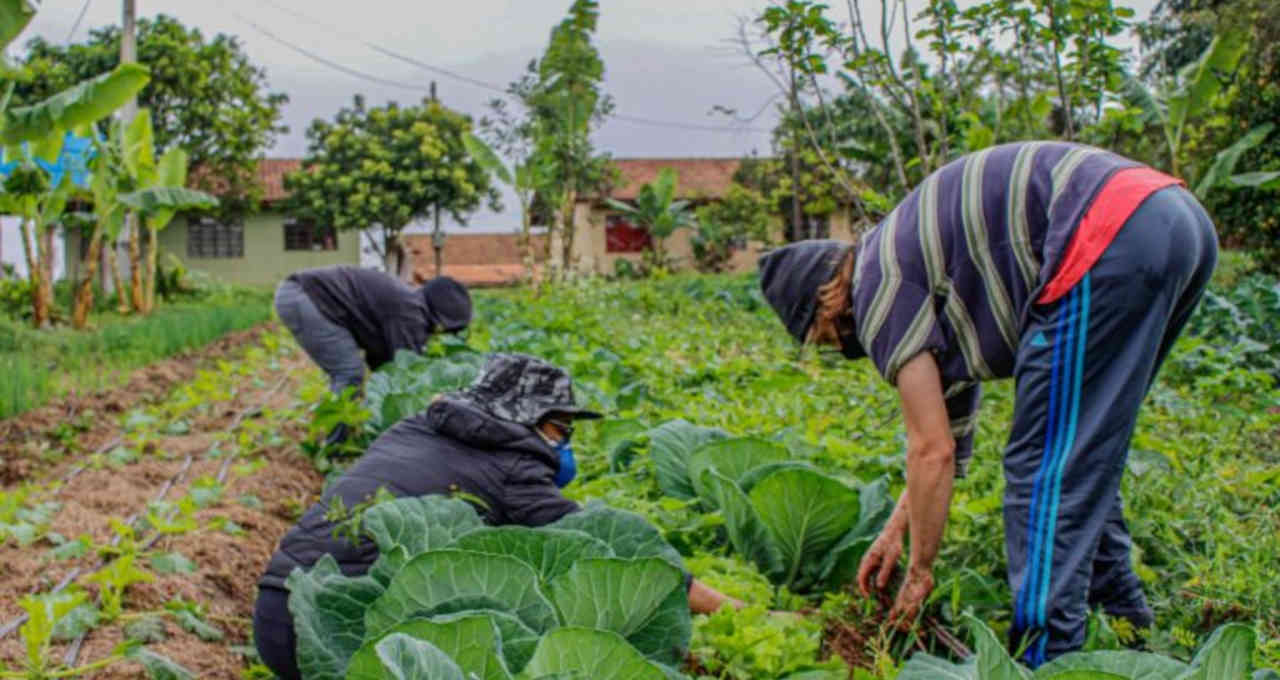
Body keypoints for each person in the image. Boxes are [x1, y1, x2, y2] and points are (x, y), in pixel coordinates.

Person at [757, 141, 1217, 666]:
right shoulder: (910, 270)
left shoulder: (876, 289)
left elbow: (932, 452)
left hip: (1108, 233)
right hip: (1175, 221)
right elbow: (945, 437)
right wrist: (895, 531)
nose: (837, 350)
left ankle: (1045, 663)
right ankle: (1130, 624)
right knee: (1080, 449)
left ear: (826, 302)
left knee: (1042, 470)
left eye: (821, 338)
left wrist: (921, 571)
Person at [253, 353, 739, 680]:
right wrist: (738, 612)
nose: (564, 442)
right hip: (348, 637)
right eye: (559, 427)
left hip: (282, 609)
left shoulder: (414, 429)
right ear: (525, 418)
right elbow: (619, 552)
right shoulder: (514, 470)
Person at [274, 265, 472, 444]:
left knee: (350, 374)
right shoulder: (411, 312)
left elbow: (381, 364)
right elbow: (405, 374)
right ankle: (335, 446)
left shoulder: (409, 304)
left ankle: (343, 434)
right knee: (349, 373)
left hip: (301, 293)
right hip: (305, 297)